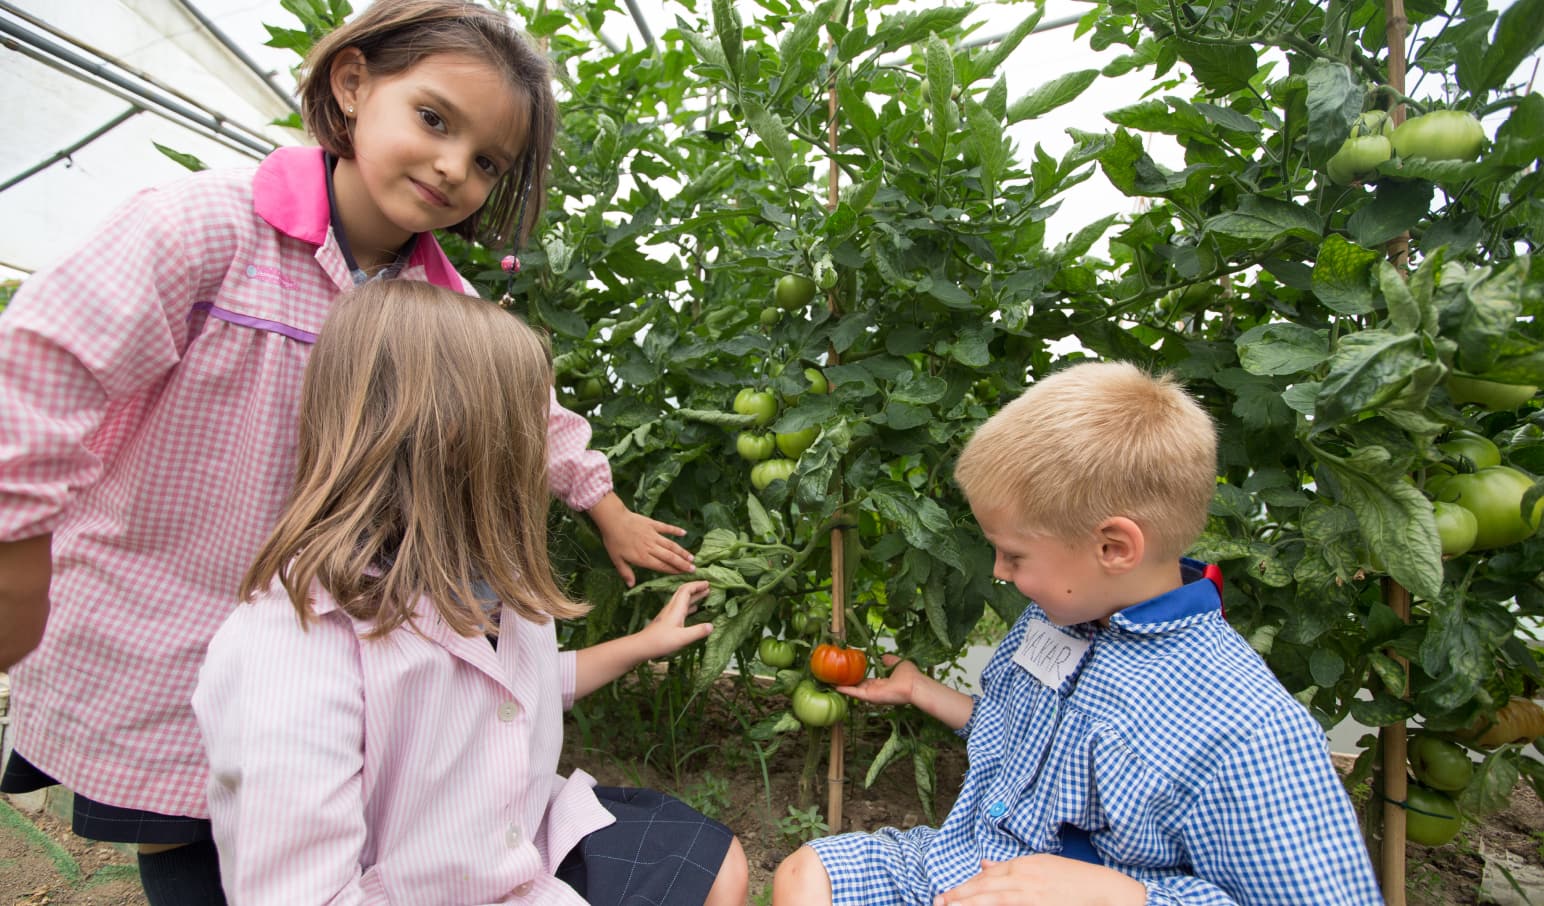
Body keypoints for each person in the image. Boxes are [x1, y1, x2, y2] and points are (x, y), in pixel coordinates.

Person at [0, 1, 690, 900]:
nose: (454, 167)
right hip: (162, 619)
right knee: (199, 846)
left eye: (488, 162)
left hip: (327, 640)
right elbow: (45, 369)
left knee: (322, 834)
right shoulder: (209, 230)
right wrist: (19, 558)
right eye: (435, 120)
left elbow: (529, 411)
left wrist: (605, 506)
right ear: (353, 83)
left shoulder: (434, 301)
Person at [190, 280, 748, 905]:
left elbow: (517, 688)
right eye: (527, 422)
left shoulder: (490, 583)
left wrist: (644, 644)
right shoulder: (297, 644)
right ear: (449, 437)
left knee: (717, 865)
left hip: (514, 841)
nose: (547, 446)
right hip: (429, 887)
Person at [773, 361, 1383, 906]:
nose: (999, 572)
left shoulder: (1243, 728)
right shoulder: (1059, 617)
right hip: (962, 865)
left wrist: (1126, 896)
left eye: (1013, 555)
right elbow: (1018, 733)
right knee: (807, 878)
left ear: (1113, 547)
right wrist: (920, 691)